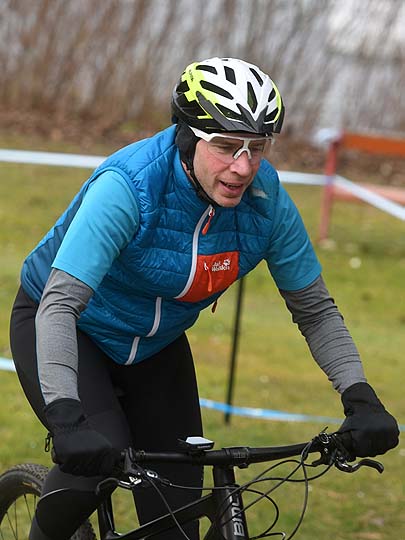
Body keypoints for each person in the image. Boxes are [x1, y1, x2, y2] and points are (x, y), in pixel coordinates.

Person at [10, 57, 399, 540]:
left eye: (257, 148)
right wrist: (67, 417)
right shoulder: (129, 186)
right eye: (226, 147)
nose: (243, 167)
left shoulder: (267, 203)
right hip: (68, 325)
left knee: (178, 518)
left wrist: (359, 397)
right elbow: (61, 304)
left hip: (156, 347)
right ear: (187, 138)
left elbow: (315, 311)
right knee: (90, 469)